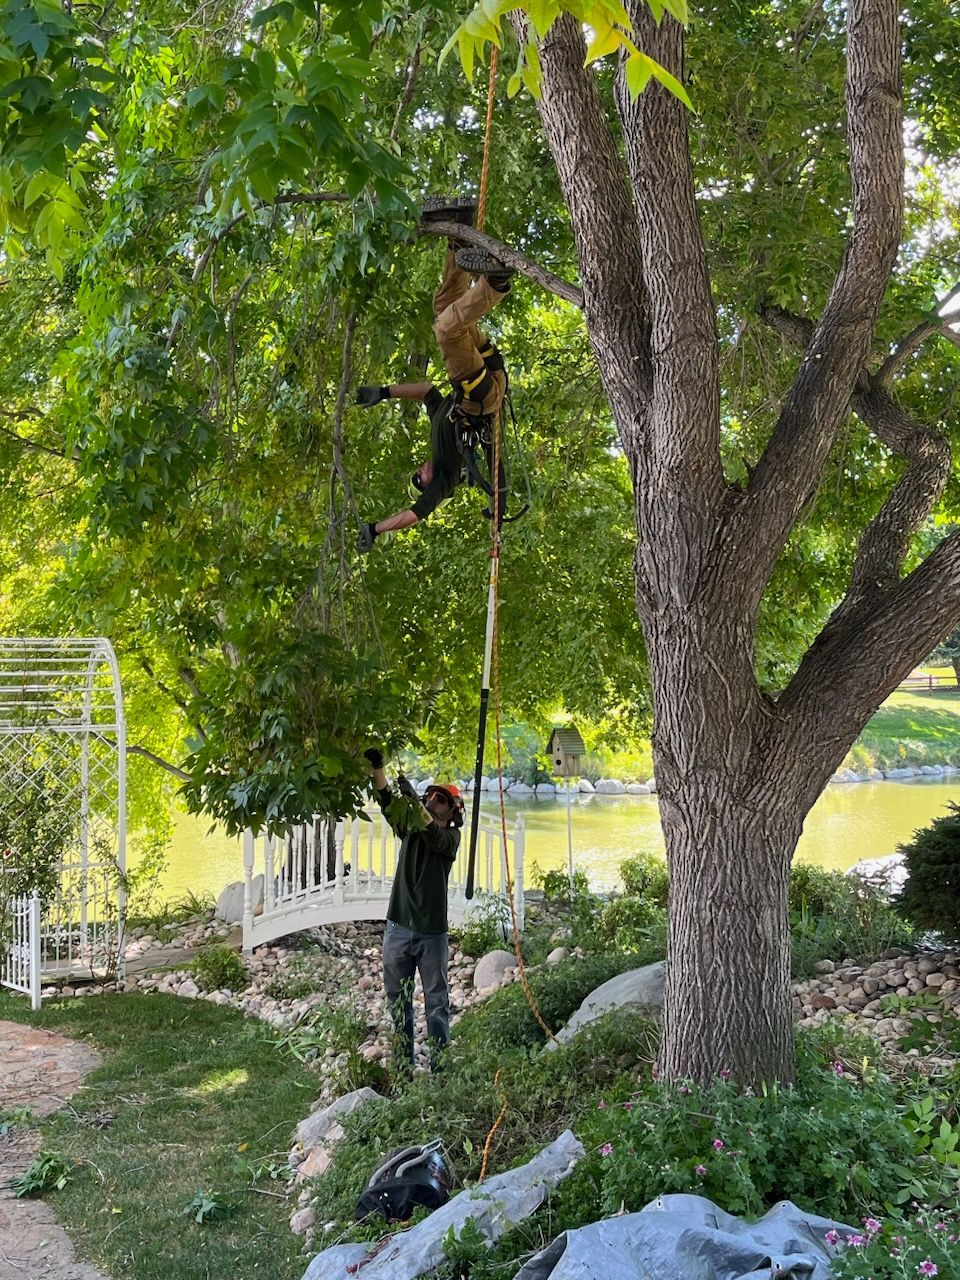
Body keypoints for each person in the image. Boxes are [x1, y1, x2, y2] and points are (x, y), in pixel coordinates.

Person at [355, 195, 516, 551]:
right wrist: (377, 529)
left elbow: (428, 391)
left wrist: (383, 392)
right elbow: (414, 514)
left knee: (443, 307)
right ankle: (496, 284)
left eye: (416, 474)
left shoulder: (438, 432)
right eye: (418, 478)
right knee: (446, 330)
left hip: (480, 376)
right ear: (429, 486)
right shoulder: (446, 477)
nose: (420, 470)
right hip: (479, 393)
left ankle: (458, 237)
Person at [363, 746, 465, 1069]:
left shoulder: (450, 839)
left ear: (453, 815)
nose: (434, 801)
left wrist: (417, 805)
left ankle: (441, 1072)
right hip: (397, 928)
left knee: (436, 1004)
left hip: (432, 934)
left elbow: (433, 835)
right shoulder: (410, 827)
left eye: (443, 801)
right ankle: (404, 1071)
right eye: (432, 796)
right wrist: (378, 769)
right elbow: (388, 803)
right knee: (398, 1003)